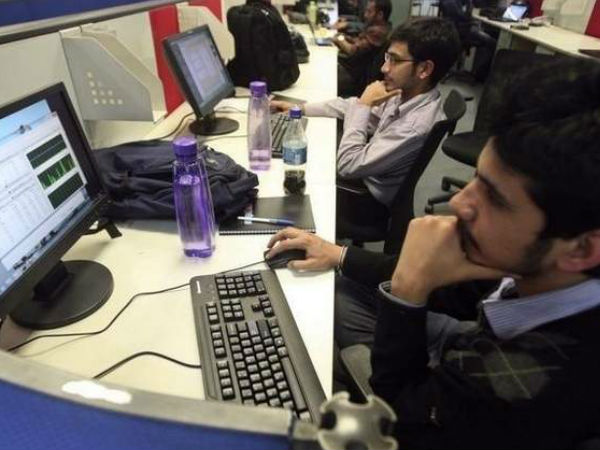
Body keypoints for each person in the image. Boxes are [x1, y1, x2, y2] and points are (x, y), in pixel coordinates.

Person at [266, 58, 600, 448]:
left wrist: (407, 293)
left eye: (494, 198)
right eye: (477, 178)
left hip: (440, 402)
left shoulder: (534, 385)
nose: (459, 202)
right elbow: (450, 287)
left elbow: (399, 420)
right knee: (336, 290)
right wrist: (338, 254)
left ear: (582, 249)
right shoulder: (541, 260)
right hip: (471, 339)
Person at [272, 17, 461, 209]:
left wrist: (364, 105)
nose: (384, 68)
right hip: (364, 172)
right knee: (309, 143)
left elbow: (347, 165)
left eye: (395, 60)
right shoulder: (408, 92)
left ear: (424, 69)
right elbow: (352, 107)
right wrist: (300, 108)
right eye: (387, 58)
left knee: (281, 176)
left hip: (363, 199)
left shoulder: (415, 126)